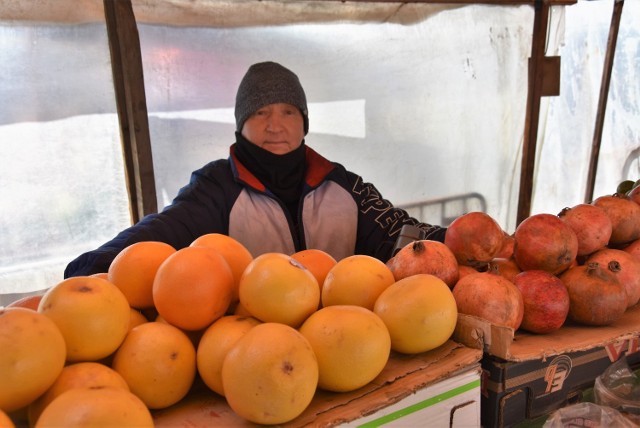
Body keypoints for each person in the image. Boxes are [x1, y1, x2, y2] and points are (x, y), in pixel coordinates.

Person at [64, 61, 445, 278]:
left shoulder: (341, 183)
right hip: (254, 351)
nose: (275, 125)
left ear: (304, 122)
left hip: (347, 338)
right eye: (260, 112)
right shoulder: (216, 188)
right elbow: (161, 233)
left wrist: (463, 242)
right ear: (241, 125)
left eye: (288, 112)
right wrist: (94, 268)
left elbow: (403, 236)